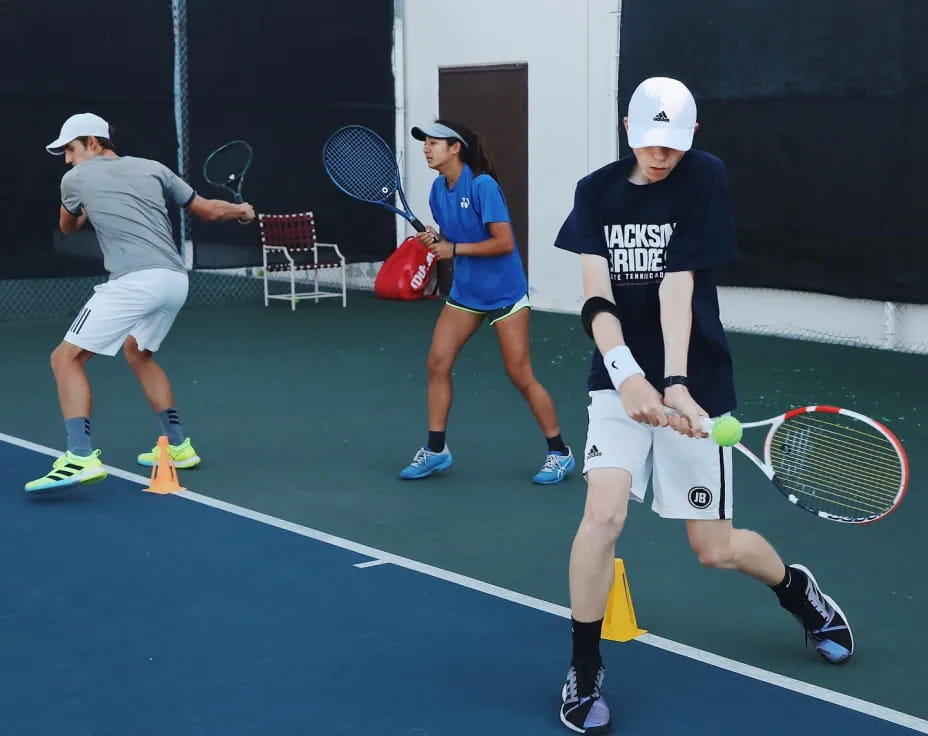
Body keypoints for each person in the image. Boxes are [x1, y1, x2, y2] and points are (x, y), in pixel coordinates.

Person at [553, 78, 853, 734]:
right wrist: (629, 375)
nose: (662, 155)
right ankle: (583, 665)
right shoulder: (595, 192)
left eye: (674, 143)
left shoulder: (703, 178)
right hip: (616, 380)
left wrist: (678, 381)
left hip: (699, 382)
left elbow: (677, 285)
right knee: (602, 513)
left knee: (714, 549)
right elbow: (595, 299)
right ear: (629, 127)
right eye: (652, 142)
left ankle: (797, 590)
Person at [25, 112, 255, 493]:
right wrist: (242, 211)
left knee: (64, 358)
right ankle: (178, 446)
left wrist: (80, 209)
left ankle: (79, 456)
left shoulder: (75, 179)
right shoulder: (154, 168)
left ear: (94, 142)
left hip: (135, 281)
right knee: (139, 352)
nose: (66, 159)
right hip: (174, 280)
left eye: (70, 148)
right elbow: (210, 210)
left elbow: (67, 228)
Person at [399, 120, 574, 484]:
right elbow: (453, 235)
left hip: (505, 294)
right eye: (425, 144)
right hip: (466, 294)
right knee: (436, 363)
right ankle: (435, 450)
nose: (427, 149)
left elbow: (504, 242)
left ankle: (559, 452)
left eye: (434, 143)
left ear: (455, 148)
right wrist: (437, 239)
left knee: (520, 375)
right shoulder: (437, 189)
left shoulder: (483, 186)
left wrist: (454, 248)